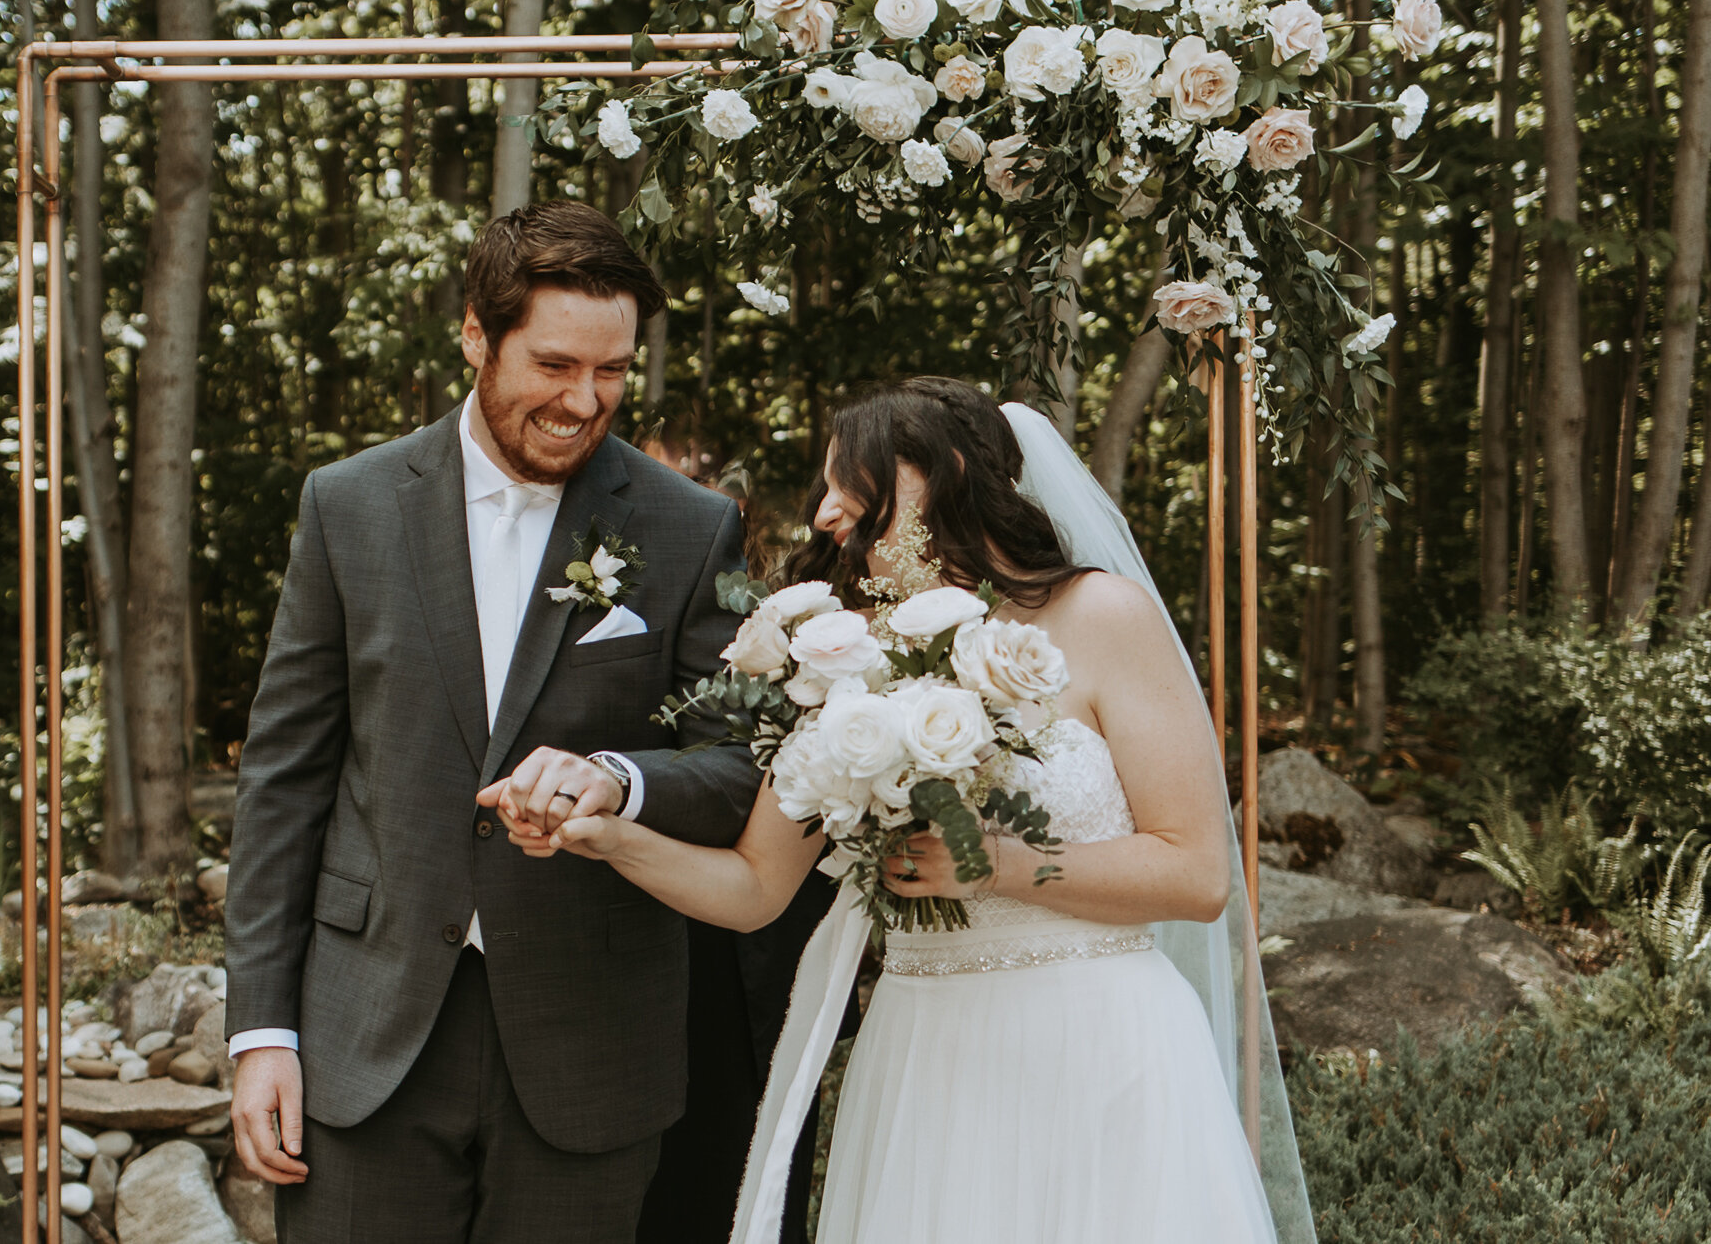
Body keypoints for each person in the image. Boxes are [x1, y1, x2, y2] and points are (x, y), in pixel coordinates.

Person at [485, 376, 1309, 1242]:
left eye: (855, 480)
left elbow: (1196, 870)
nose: (829, 513)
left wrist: (998, 862)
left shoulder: (1104, 614)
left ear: (944, 471)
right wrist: (613, 838)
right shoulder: (845, 659)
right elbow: (754, 884)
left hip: (1100, 1044)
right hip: (928, 1059)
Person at [222, 200, 764, 1242]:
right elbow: (285, 778)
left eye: (610, 372)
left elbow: (741, 758)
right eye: (554, 366)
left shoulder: (689, 528)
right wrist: (262, 1028)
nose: (583, 400)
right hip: (367, 1035)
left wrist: (621, 778)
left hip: (590, 1040)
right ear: (475, 333)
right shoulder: (349, 506)